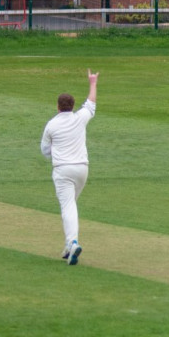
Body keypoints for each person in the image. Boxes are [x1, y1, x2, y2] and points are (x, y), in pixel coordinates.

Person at [40, 69, 98, 265]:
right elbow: (91, 104)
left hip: (63, 170)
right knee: (70, 205)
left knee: (68, 207)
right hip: (82, 169)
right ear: (72, 106)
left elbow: (45, 151)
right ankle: (67, 246)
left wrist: (57, 152)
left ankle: (72, 243)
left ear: (57, 106)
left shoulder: (51, 125)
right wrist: (92, 83)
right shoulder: (79, 118)